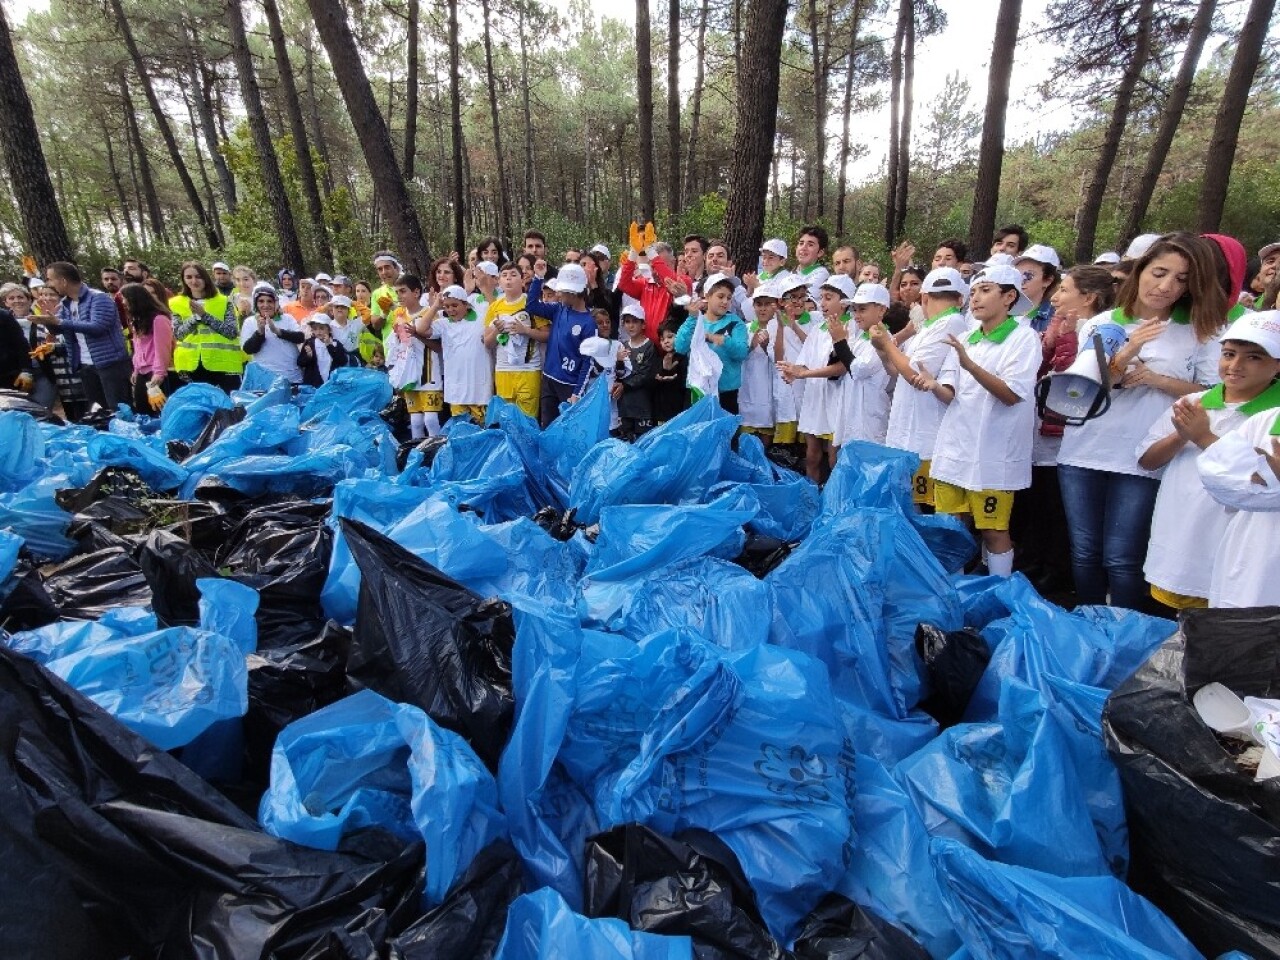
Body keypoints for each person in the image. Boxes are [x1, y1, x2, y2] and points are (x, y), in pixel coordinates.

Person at [1057, 232, 1228, 609]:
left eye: (1181, 279)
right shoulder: (1102, 322)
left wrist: (1157, 379)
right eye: (1159, 272)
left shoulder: (1199, 331)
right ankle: (1088, 629)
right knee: (1084, 552)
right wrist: (1129, 349)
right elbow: (1085, 386)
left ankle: (1124, 636)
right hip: (1084, 450)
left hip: (1145, 456)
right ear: (1141, 270)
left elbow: (1216, 393)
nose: (1166, 286)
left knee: (1122, 558)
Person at [1136, 311, 1280, 610]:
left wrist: (1204, 437)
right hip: (1180, 538)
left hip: (1238, 552)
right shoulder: (1194, 404)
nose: (1235, 366)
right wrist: (1182, 436)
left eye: (1253, 358)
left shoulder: (1273, 416)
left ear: (1277, 365)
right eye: (1228, 354)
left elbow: (1262, 481)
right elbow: (1147, 460)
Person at [911, 265, 1043, 577]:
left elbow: (1011, 394)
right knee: (950, 528)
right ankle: (952, 595)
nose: (976, 298)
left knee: (993, 530)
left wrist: (969, 365)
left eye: (986, 291)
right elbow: (950, 393)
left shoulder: (1023, 339)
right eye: (974, 292)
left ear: (1009, 297)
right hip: (955, 450)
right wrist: (933, 386)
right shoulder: (967, 338)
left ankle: (999, 595)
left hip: (993, 456)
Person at [1011, 264, 1115, 593]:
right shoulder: (1055, 327)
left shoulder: (1102, 332)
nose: (1056, 297)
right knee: (1037, 504)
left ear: (1089, 298)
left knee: (1058, 510)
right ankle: (1034, 565)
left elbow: (1074, 380)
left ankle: (1058, 574)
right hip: (1041, 431)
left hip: (1070, 438)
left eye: (1066, 290)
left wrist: (1067, 339)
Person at [871, 267, 971, 509]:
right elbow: (896, 369)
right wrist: (883, 351)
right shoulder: (925, 328)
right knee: (910, 505)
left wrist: (887, 342)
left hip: (926, 434)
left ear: (923, 297)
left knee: (924, 508)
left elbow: (913, 374)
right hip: (908, 430)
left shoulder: (952, 322)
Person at [1196, 390, 1280, 609]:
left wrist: (1266, 480)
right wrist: (1260, 478)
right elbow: (1219, 482)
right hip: (1254, 559)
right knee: (1245, 631)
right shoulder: (1263, 421)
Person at [778, 274, 859, 483]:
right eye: (821, 297)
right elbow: (806, 361)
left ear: (844, 302)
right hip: (815, 397)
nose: (821, 303)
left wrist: (804, 374)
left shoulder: (852, 328)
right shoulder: (818, 329)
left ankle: (835, 502)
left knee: (834, 457)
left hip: (838, 398)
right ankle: (813, 499)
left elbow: (841, 367)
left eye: (828, 297)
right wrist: (793, 371)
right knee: (812, 456)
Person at [43, 261, 133, 412]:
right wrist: (48, 320)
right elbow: (59, 329)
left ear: (63, 281)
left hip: (110, 363)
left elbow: (97, 327)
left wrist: (60, 321)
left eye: (51, 279)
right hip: (85, 364)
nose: (49, 284)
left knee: (119, 409)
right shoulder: (66, 303)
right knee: (97, 410)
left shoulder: (99, 298)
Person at [528, 262, 595, 426]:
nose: (558, 294)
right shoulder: (558, 309)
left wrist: (577, 393)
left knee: (567, 430)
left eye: (562, 292)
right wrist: (538, 278)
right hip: (549, 380)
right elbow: (531, 305)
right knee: (547, 427)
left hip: (569, 386)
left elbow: (588, 362)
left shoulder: (589, 323)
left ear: (574, 293)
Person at [674, 271, 750, 413]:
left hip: (726, 392)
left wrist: (724, 340)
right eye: (720, 296)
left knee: (725, 434)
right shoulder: (695, 320)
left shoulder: (735, 322)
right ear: (707, 296)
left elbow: (742, 353)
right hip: (698, 390)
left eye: (729, 298)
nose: (725, 301)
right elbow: (680, 347)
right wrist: (691, 318)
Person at [831, 282, 892, 448]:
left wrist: (839, 341)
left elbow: (858, 369)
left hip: (869, 422)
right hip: (852, 415)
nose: (856, 315)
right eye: (855, 310)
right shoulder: (858, 337)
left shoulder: (884, 339)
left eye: (862, 309)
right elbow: (837, 368)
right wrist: (839, 341)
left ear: (881, 310)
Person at [483, 261, 546, 419]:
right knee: (507, 420)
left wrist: (525, 330)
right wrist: (498, 329)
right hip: (503, 370)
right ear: (499, 281)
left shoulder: (531, 304)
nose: (508, 279)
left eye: (513, 275)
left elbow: (547, 335)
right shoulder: (494, 307)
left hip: (529, 370)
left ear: (522, 279)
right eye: (504, 276)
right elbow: (487, 342)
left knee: (527, 420)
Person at [422, 284, 493, 424]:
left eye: (454, 305)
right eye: (447, 306)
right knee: (461, 434)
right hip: (456, 392)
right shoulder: (443, 325)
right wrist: (435, 307)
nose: (450, 310)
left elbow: (496, 310)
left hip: (479, 392)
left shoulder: (481, 318)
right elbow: (421, 329)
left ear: (465, 304)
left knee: (482, 434)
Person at [386, 274, 444, 439]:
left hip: (429, 375)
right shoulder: (398, 317)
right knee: (416, 421)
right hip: (409, 377)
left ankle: (437, 452)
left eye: (403, 291)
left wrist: (417, 335)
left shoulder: (429, 313)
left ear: (416, 292)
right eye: (397, 293)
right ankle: (418, 457)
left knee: (431, 420)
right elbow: (396, 349)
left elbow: (439, 347)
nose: (400, 296)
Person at [169, 261, 241, 392]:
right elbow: (178, 334)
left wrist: (205, 316)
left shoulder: (223, 301)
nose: (194, 281)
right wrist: (195, 318)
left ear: (205, 278)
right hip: (191, 366)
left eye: (198, 276)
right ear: (183, 280)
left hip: (223, 364)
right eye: (189, 277)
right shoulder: (176, 303)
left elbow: (231, 332)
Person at [119, 282, 177, 413]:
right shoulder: (137, 320)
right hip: (142, 372)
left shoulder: (159, 319)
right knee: (142, 410)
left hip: (156, 373)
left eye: (125, 298)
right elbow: (138, 348)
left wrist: (159, 373)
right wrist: (136, 370)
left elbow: (162, 349)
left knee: (159, 410)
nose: (123, 301)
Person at [2, 282, 57, 409]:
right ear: (6, 303)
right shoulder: (5, 321)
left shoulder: (43, 316)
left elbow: (57, 337)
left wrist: (52, 344)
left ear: (29, 299)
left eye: (20, 297)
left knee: (40, 409)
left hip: (42, 371)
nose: (17, 301)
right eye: (11, 298)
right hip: (16, 375)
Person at [738, 281, 781, 443]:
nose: (762, 308)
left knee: (766, 434)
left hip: (768, 390)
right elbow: (738, 355)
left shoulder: (780, 328)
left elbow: (781, 360)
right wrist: (750, 347)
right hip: (747, 388)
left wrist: (765, 347)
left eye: (768, 304)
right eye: (758, 304)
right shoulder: (745, 328)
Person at [240, 283, 304, 384]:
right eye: (261, 301)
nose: (265, 305)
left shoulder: (287, 318)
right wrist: (260, 333)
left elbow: (300, 337)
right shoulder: (250, 322)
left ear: (276, 303)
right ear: (256, 304)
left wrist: (277, 331)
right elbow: (248, 349)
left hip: (291, 378)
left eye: (270, 301)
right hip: (265, 381)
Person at [615, 303, 656, 439]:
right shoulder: (622, 347)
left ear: (643, 324)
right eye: (627, 322)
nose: (630, 326)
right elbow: (618, 374)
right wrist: (619, 362)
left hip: (643, 407)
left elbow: (645, 375)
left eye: (635, 321)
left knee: (643, 443)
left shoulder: (649, 346)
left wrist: (624, 385)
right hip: (624, 407)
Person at [1013, 244, 1060, 332]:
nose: (1020, 280)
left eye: (1028, 275)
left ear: (1048, 280)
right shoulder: (1000, 309)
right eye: (1017, 274)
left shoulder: (1056, 319)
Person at [651, 323, 688, 424]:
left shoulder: (684, 359)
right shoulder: (659, 360)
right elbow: (652, 385)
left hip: (679, 412)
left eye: (670, 337)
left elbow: (686, 387)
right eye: (662, 339)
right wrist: (663, 371)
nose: (666, 341)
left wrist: (672, 375)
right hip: (661, 414)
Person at [298, 315, 348, 386]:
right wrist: (308, 356)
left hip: (332, 385)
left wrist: (329, 346)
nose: (318, 332)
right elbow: (300, 362)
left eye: (321, 328)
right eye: (315, 329)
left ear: (329, 329)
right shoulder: (309, 343)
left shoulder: (336, 343)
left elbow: (342, 361)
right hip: (314, 385)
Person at [370, 251, 402, 323]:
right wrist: (384, 313)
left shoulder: (410, 285)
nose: (384, 272)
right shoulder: (376, 293)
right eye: (380, 269)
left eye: (387, 267)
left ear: (396, 268)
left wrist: (394, 307)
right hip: (388, 334)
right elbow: (375, 326)